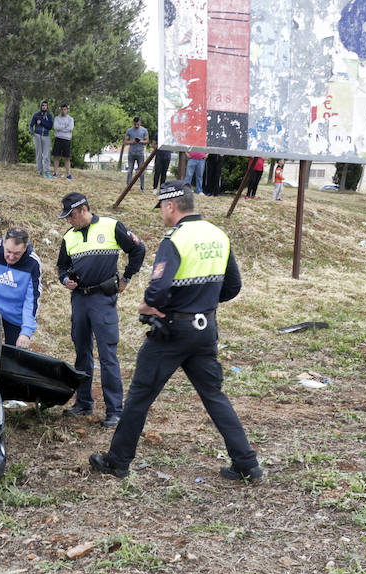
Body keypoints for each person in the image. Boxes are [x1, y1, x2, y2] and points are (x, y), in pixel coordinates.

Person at [88, 180, 262, 483]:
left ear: (171, 206)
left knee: (140, 397)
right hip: (205, 328)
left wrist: (148, 306)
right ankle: (247, 463)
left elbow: (157, 291)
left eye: (162, 209)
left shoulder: (175, 239)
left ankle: (117, 462)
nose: (162, 215)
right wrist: (202, 303)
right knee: (213, 395)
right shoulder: (218, 235)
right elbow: (233, 286)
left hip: (171, 331)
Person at [57, 192, 145, 426]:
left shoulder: (111, 226)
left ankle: (115, 410)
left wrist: (126, 278)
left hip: (102, 299)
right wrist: (65, 280)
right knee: (82, 353)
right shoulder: (69, 237)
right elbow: (61, 267)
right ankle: (84, 403)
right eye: (66, 217)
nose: (69, 220)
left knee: (107, 355)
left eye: (71, 215)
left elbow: (138, 250)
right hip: (79, 299)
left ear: (84, 209)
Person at [29, 100, 53, 177]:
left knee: (46, 155)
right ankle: (39, 171)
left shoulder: (49, 116)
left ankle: (47, 172)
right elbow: (30, 126)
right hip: (37, 136)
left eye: (45, 105)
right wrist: (33, 133)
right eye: (43, 105)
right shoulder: (36, 115)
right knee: (39, 154)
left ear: (47, 107)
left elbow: (49, 126)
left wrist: (42, 121)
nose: (44, 107)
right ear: (40, 106)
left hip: (46, 136)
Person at [124, 116, 149, 191]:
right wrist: (132, 142)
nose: (136, 126)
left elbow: (147, 141)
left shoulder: (144, 130)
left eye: (138, 124)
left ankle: (142, 187)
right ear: (133, 123)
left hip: (140, 153)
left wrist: (140, 141)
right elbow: (125, 141)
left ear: (140, 122)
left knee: (141, 171)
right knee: (130, 170)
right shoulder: (129, 130)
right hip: (131, 152)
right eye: (135, 124)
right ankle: (128, 186)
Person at [51, 104, 74, 180]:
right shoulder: (57, 118)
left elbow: (70, 128)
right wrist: (64, 127)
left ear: (67, 110)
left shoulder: (70, 119)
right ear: (60, 110)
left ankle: (68, 174)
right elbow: (56, 127)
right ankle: (55, 173)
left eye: (65, 109)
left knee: (67, 158)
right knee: (56, 156)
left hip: (67, 139)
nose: (63, 111)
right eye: (62, 109)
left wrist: (61, 128)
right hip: (58, 138)